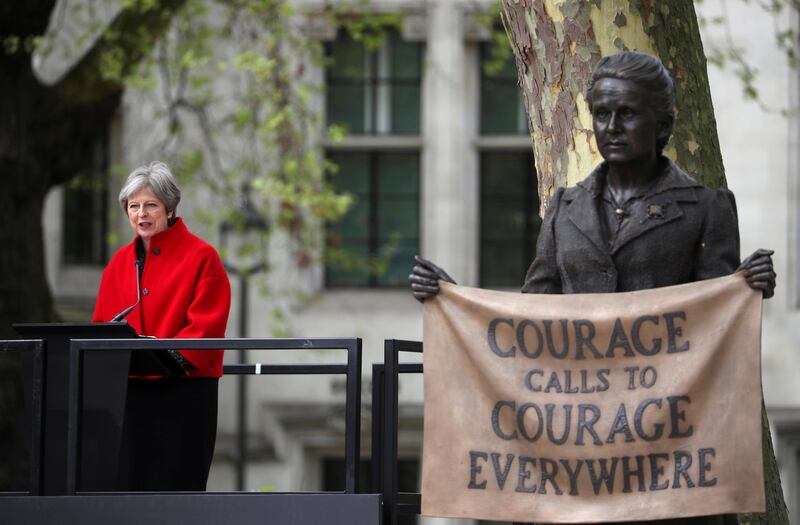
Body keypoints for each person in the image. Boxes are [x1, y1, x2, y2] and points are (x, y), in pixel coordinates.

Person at [409, 51, 775, 524]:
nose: (613, 126)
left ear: (661, 124)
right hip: (578, 462)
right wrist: (459, 307)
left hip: (669, 461)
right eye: (602, 114)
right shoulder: (566, 208)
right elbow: (532, 320)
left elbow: (716, 330)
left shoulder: (706, 208)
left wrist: (745, 287)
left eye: (628, 113)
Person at [92, 161, 231, 491]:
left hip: (183, 398)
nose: (142, 214)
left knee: (175, 496)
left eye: (151, 205)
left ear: (169, 208)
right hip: (128, 400)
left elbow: (206, 328)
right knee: (126, 495)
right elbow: (98, 328)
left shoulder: (202, 257)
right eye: (134, 206)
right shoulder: (116, 266)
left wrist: (159, 354)